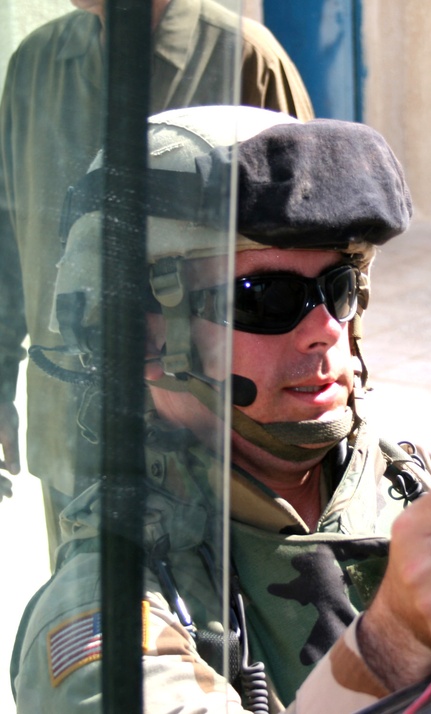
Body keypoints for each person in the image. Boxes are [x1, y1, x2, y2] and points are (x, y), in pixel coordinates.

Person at [10, 105, 431, 712]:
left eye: (339, 288)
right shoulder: (106, 614)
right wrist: (388, 647)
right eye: (267, 296)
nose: (324, 329)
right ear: (141, 336)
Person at [0, 0, 314, 552]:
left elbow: (315, 248)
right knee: (88, 626)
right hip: (72, 434)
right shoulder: (37, 63)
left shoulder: (241, 57)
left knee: (216, 634)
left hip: (209, 440)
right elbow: (7, 238)